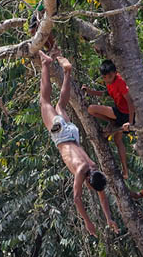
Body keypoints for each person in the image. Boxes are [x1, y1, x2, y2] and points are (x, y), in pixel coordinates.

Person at [38, 49, 118, 237]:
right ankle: (46, 63)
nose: (90, 189)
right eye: (90, 186)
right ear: (89, 181)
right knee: (45, 102)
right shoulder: (83, 171)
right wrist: (88, 222)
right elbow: (76, 199)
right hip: (63, 137)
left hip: (73, 135)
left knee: (60, 106)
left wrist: (108, 219)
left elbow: (102, 196)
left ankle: (67, 73)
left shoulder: (94, 169)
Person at [82, 59, 135, 179]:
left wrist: (130, 122)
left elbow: (130, 102)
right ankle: (125, 172)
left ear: (115, 73)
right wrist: (91, 92)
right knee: (118, 141)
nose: (108, 79)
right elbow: (106, 93)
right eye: (105, 77)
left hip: (124, 115)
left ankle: (112, 122)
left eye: (110, 76)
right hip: (119, 112)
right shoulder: (109, 82)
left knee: (91, 109)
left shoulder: (120, 81)